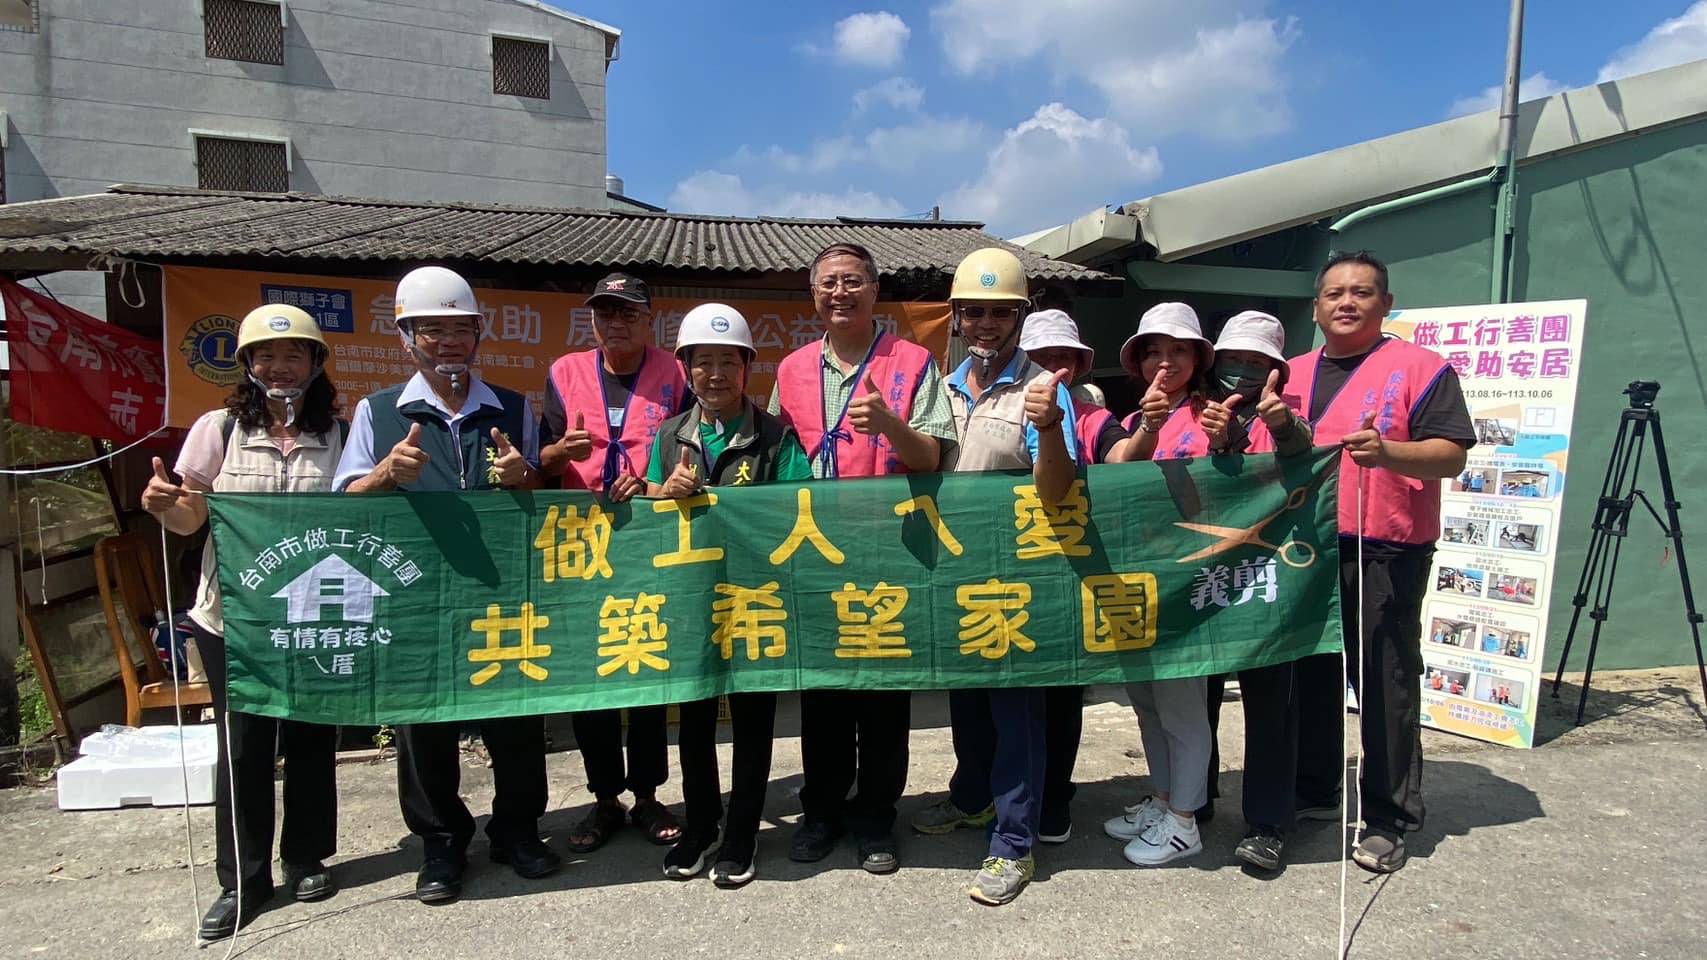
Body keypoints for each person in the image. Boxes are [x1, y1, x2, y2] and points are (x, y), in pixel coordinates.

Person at [334, 265, 555, 903]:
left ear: (479, 334)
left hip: (501, 588)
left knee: (515, 712)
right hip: (416, 592)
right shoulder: (378, 412)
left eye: (461, 329)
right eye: (432, 330)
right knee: (423, 723)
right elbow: (344, 500)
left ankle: (518, 831)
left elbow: (538, 494)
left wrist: (523, 476)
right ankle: (441, 843)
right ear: (407, 338)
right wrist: (383, 475)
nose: (449, 342)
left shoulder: (512, 407)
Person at [141, 305, 344, 940]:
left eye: (293, 355)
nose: (280, 367)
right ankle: (243, 880)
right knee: (244, 747)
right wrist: (164, 506)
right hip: (231, 616)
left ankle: (306, 857)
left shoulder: (338, 434)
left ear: (315, 363)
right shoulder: (219, 428)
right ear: (248, 365)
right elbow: (190, 517)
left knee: (312, 737)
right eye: (266, 356)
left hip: (313, 612)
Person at [769, 242, 956, 874]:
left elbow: (932, 458)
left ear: (875, 291)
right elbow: (775, 461)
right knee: (821, 697)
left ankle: (876, 818)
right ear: (813, 296)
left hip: (889, 554)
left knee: (883, 700)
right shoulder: (792, 369)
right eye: (828, 283)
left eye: (852, 281)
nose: (840, 293)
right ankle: (821, 813)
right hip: (816, 554)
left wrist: (891, 425)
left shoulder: (913, 361)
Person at [1287, 251, 1474, 874]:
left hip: (1384, 546)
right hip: (1303, 547)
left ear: (1386, 304)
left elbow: (1452, 454)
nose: (1347, 302)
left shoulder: (1421, 368)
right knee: (1310, 672)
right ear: (1317, 307)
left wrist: (1389, 452)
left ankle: (1389, 817)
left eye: (1362, 292)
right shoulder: (1290, 373)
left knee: (1383, 680)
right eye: (1334, 293)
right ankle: (1315, 790)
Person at [909, 247, 1077, 905]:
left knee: (1016, 711)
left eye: (999, 313)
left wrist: (1050, 427)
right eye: (973, 312)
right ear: (956, 317)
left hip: (1017, 575)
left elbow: (1057, 491)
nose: (985, 324)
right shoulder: (941, 386)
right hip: (955, 571)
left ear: (1020, 317)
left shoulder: (1043, 390)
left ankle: (1014, 843)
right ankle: (971, 797)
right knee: (969, 701)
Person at [644, 304, 815, 887]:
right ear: (686, 368)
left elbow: (800, 509)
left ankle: (742, 830)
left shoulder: (776, 436)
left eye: (727, 362)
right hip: (692, 601)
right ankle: (700, 825)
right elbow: (649, 507)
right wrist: (662, 492)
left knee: (753, 721)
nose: (714, 374)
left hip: (755, 602)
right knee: (693, 719)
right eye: (702, 362)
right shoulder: (670, 435)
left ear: (746, 368)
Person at [539, 271, 687, 852]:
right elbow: (540, 461)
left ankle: (647, 795)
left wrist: (656, 484)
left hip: (651, 539)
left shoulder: (676, 373)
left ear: (650, 320)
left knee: (645, 661)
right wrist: (561, 451)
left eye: (628, 312)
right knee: (591, 672)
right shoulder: (564, 372)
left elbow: (694, 447)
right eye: (605, 312)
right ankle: (604, 798)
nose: (615, 322)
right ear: (593, 320)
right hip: (582, 543)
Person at [1018, 307, 1129, 843]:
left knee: (1062, 691)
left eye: (1063, 358)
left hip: (1068, 568)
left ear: (1081, 365)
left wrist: (1148, 431)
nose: (1052, 369)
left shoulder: (1092, 419)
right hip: (1008, 567)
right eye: (1041, 358)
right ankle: (998, 795)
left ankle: (1055, 798)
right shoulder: (993, 402)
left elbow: (1122, 457)